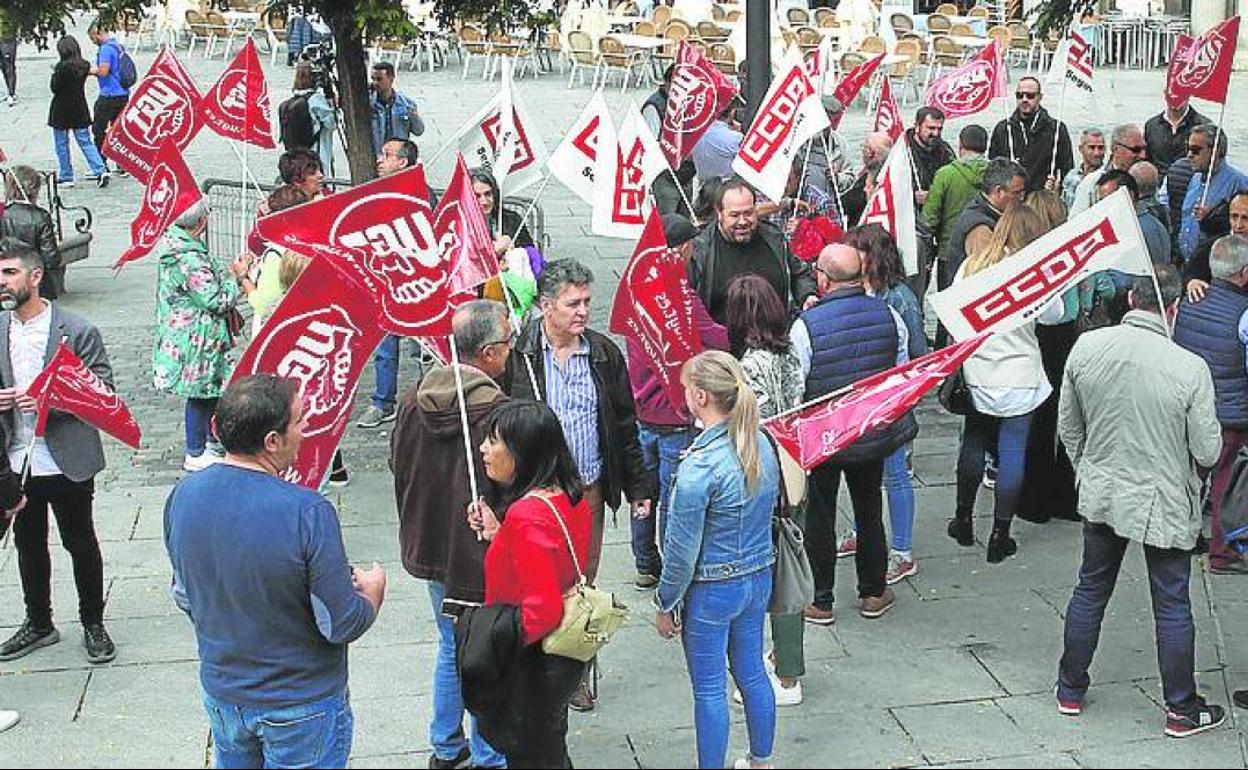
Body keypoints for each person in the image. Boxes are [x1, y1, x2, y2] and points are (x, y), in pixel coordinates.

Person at [164, 374, 385, 768]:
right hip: (301, 702)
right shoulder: (308, 511)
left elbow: (185, 594)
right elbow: (339, 624)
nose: (305, 431)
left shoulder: (182, 496)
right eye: (299, 422)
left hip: (225, 695)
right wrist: (372, 593)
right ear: (272, 441)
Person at [1056, 265, 1227, 739]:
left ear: (1131, 301)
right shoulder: (1189, 368)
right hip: (1163, 498)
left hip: (1104, 490)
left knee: (1090, 588)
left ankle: (1070, 687)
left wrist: (1086, 469)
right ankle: (1180, 708)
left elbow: (1069, 425)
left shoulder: (1087, 347)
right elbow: (1209, 450)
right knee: (1172, 603)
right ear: (1173, 309)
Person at [505, 258, 654, 712]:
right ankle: (528, 666)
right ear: (546, 307)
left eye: (587, 301)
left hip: (586, 491)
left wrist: (639, 488)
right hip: (534, 496)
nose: (583, 311)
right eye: (573, 303)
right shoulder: (521, 355)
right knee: (533, 585)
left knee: (579, 586)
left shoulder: (604, 354)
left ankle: (572, 674)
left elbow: (625, 426)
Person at [392, 300, 511, 769]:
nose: (510, 350)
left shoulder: (411, 399)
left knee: (450, 642)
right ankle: (487, 752)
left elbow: (398, 467)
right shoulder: (496, 412)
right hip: (477, 551)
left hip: (430, 543)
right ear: (486, 353)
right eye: (505, 343)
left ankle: (445, 744)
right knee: (484, 650)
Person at [655, 351, 779, 770]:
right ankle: (761, 760)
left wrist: (665, 601)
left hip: (711, 590)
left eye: (688, 387)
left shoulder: (699, 468)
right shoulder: (761, 442)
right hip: (757, 575)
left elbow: (680, 551)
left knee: (709, 688)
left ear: (702, 396)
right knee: (752, 671)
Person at [0, 237, 117, 665]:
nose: (2, 282)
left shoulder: (77, 329)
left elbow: (105, 393)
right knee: (28, 543)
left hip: (67, 456)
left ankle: (93, 622)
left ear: (35, 277)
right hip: (16, 458)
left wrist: (55, 402)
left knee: (80, 541)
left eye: (10, 273)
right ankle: (39, 622)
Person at [465, 400, 591, 768]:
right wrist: (498, 534)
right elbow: (549, 561)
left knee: (533, 753)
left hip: (531, 663)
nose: (484, 449)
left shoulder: (526, 515)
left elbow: (543, 609)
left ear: (522, 451)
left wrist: (493, 645)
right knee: (551, 742)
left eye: (494, 441)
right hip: (564, 653)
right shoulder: (568, 495)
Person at [793, 244, 914, 625]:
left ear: (823, 279)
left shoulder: (807, 326)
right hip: (870, 434)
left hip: (824, 438)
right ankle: (873, 592)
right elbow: (901, 371)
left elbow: (797, 384)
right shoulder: (890, 315)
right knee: (869, 509)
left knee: (819, 515)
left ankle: (820, 600)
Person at [947, 207, 1065, 562]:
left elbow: (954, 312)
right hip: (1020, 374)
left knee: (974, 440)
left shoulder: (973, 265)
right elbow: (1055, 315)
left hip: (980, 370)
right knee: (1013, 448)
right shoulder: (1033, 272)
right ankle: (1001, 533)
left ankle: (964, 518)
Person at [626, 215, 728, 590]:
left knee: (643, 493)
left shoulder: (636, 290)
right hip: (674, 415)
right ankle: (672, 568)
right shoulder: (680, 297)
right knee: (672, 495)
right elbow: (717, 338)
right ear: (682, 249)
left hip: (641, 413)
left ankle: (644, 562)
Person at [725, 274, 805, 707]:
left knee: (758, 579)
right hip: (794, 469)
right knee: (790, 570)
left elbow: (750, 427)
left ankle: (771, 678)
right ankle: (789, 664)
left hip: (761, 478)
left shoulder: (747, 365)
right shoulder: (789, 352)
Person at [845, 224, 925, 583]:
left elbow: (918, 355)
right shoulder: (859, 291)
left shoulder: (900, 299)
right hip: (863, 402)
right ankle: (867, 532)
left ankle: (903, 552)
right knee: (866, 475)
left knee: (894, 475)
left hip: (892, 402)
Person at [1174, 235, 1248, 574]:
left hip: (1194, 408)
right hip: (1231, 413)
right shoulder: (1242, 312)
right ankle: (1222, 552)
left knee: (1192, 477)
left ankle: (1180, 537)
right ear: (1243, 273)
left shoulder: (1190, 301)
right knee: (1226, 483)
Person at [151, 201, 243, 471]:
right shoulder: (188, 257)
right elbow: (215, 299)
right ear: (201, 222)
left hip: (194, 334)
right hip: (194, 338)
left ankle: (210, 439)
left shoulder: (179, 246)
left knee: (210, 390)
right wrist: (237, 278)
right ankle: (195, 449)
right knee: (200, 392)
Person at [355, 139, 432, 430]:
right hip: (387, 284)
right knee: (385, 347)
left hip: (418, 285)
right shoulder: (375, 194)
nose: (379, 160)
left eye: (387, 155)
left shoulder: (420, 194)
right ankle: (382, 403)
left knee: (425, 349)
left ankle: (429, 403)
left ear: (403, 162)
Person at [688, 178, 818, 324]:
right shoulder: (701, 250)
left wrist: (807, 295)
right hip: (724, 343)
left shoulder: (774, 238)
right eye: (735, 215)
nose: (743, 222)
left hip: (777, 338)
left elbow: (799, 273)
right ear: (719, 213)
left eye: (748, 213)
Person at [936, 159, 1027, 347]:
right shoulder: (980, 229)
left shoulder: (980, 212)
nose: (1022, 199)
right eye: (1017, 193)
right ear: (998, 191)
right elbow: (987, 281)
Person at [923, 124, 988, 292]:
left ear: (960, 144)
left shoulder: (946, 174)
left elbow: (930, 218)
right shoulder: (995, 173)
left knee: (950, 304)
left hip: (950, 250)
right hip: (987, 249)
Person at [988, 76, 1073, 193]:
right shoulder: (1003, 129)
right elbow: (993, 168)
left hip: (1042, 198)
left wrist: (1058, 189)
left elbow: (1067, 169)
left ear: (1040, 97)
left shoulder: (1056, 129)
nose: (1024, 99)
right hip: (1011, 199)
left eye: (1030, 96)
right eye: (1019, 95)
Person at [1179, 125, 1248, 265]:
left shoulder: (1238, 182)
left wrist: (1212, 217)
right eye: (1188, 148)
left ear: (1216, 151)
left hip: (1217, 264)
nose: (1189, 155)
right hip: (1188, 262)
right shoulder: (1195, 179)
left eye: (1196, 150)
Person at [48, 36, 110, 189]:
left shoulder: (61, 68)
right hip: (79, 108)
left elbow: (55, 88)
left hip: (61, 109)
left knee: (62, 144)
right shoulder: (83, 65)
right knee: (85, 141)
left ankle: (66, 175)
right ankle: (100, 169)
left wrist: (53, 74)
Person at [642, 64, 696, 217]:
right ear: (668, 83)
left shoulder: (686, 104)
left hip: (686, 173)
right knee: (668, 220)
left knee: (685, 220)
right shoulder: (654, 107)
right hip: (666, 175)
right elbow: (650, 143)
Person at [0, 167, 60, 300]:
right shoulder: (40, 216)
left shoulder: (2, 214)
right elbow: (51, 258)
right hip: (36, 283)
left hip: (5, 281)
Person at [1069, 124, 1147, 215]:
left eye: (1144, 149)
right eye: (1136, 150)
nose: (1143, 155)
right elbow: (1076, 221)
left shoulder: (1146, 178)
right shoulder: (1091, 183)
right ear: (1116, 149)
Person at [1096, 170, 1170, 265]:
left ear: (1129, 195)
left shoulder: (1146, 228)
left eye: (1109, 199)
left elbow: (1156, 269)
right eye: (1101, 201)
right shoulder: (1118, 224)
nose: (1104, 205)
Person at [278, 61, 336, 176]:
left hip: (297, 155)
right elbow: (332, 124)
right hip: (317, 153)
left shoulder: (290, 102)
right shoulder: (316, 100)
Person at [1186, 190, 1248, 291]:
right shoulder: (1211, 247)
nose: (1238, 225)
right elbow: (1190, 273)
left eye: (1245, 218)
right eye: (1234, 216)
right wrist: (1191, 282)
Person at [86, 20, 129, 166]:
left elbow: (103, 71)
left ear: (98, 34)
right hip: (123, 93)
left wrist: (89, 71)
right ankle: (121, 163)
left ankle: (101, 163)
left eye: (93, 38)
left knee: (99, 129)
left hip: (109, 95)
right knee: (119, 130)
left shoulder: (105, 49)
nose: (93, 42)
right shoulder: (118, 46)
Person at [369, 61, 424, 154]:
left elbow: (419, 131)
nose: (375, 83)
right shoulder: (369, 104)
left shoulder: (406, 104)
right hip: (377, 155)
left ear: (391, 79)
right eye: (373, 79)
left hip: (398, 157)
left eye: (379, 79)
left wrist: (414, 116)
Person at [1145, 97, 1208, 177]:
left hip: (1190, 182)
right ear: (1165, 94)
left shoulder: (1204, 126)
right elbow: (1147, 159)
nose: (1176, 98)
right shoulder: (1151, 126)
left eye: (1180, 93)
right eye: (1172, 94)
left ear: (1188, 95)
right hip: (1158, 184)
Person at [840, 132, 893, 226]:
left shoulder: (867, 186)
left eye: (863, 147)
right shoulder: (892, 180)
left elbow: (842, 206)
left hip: (863, 233)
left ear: (870, 153)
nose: (862, 151)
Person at [906, 106, 955, 204]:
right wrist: (912, 196)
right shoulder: (904, 152)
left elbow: (954, 181)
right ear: (917, 127)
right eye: (931, 128)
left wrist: (932, 196)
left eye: (940, 129)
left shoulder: (945, 150)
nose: (936, 133)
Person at [691, 105, 744, 184]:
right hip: (729, 187)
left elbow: (690, 157)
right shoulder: (735, 138)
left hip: (703, 186)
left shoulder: (693, 134)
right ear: (732, 112)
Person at [1062, 129, 1106, 210]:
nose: (1097, 153)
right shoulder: (1071, 176)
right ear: (1081, 149)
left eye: (1100, 148)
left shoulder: (1107, 178)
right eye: (1092, 147)